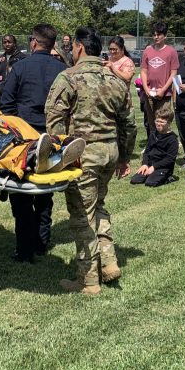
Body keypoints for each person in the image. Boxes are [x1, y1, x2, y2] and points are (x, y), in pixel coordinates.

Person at [46, 27, 136, 294]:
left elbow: (54, 121)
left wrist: (59, 157)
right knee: (99, 206)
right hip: (109, 151)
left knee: (82, 215)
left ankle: (88, 280)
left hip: (83, 154)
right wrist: (124, 157)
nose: (71, 51)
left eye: (73, 47)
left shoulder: (68, 77)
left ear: (80, 48)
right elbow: (129, 124)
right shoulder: (116, 79)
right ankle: (108, 263)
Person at [0, 23, 67, 263]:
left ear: (34, 42)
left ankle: (24, 247)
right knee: (46, 191)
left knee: (21, 192)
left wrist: (15, 131)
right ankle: (41, 241)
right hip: (52, 136)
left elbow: (6, 104)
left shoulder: (19, 67)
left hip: (23, 138)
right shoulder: (62, 70)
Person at [140, 24, 179, 136]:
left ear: (165, 36)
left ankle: (165, 144)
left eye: (159, 34)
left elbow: (174, 73)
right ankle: (153, 145)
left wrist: (163, 90)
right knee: (151, 122)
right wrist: (146, 88)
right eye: (154, 34)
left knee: (163, 122)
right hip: (149, 93)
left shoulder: (171, 51)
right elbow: (143, 71)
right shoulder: (147, 51)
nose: (156, 37)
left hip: (164, 93)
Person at [131, 110, 178, 187]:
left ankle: (168, 177)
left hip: (163, 167)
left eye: (162, 122)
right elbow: (147, 151)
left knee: (151, 183)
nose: (158, 124)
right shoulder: (153, 134)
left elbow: (170, 159)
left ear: (169, 123)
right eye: (157, 121)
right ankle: (150, 173)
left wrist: (154, 167)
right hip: (150, 165)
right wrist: (145, 164)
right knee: (135, 180)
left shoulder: (172, 139)